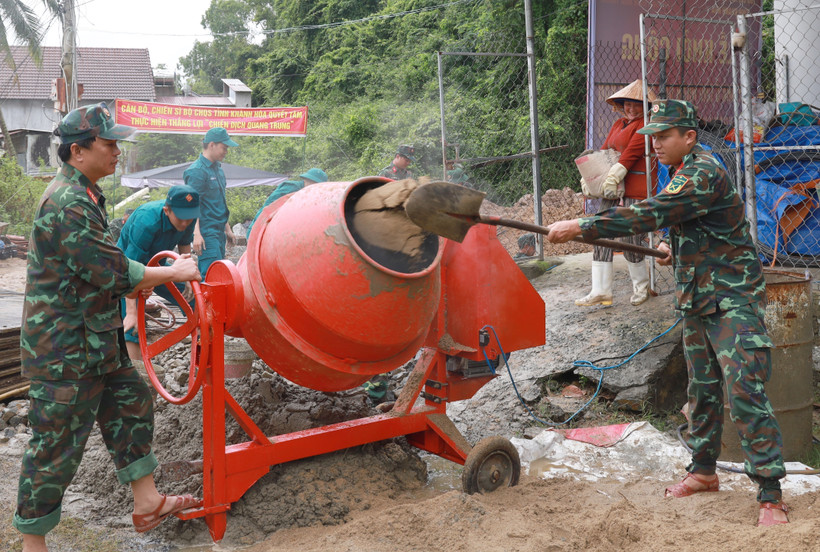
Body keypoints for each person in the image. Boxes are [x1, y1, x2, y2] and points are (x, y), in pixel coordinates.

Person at [546, 99, 788, 527]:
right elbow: (692, 220)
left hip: (731, 299)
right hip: (698, 297)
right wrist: (669, 245)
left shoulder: (703, 172)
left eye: (663, 136)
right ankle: (703, 472)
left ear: (689, 137)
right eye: (652, 136)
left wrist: (582, 227)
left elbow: (653, 211)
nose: (655, 144)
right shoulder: (681, 170)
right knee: (703, 391)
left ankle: (770, 495)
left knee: (745, 392)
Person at [15, 103, 202, 552]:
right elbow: (113, 271)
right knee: (55, 444)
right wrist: (173, 273)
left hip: (95, 340)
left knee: (131, 402)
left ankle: (147, 502)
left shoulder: (87, 195)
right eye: (109, 143)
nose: (118, 151)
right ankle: (32, 544)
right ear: (78, 151)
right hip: (63, 349)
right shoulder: (66, 202)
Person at [577, 79, 658, 307]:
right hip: (611, 187)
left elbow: (630, 155)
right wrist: (589, 177)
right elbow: (603, 152)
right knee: (600, 230)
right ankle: (601, 291)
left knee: (630, 237)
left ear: (646, 106)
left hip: (635, 186)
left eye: (636, 104)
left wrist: (613, 177)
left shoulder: (646, 125)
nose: (630, 108)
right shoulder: (619, 123)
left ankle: (641, 287)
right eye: (627, 104)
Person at [117, 185, 201, 361]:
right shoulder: (146, 221)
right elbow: (129, 271)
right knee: (133, 323)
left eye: (189, 218)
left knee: (194, 297)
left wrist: (187, 277)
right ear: (166, 210)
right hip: (127, 268)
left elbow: (184, 244)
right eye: (181, 218)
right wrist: (131, 312)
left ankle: (201, 345)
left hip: (158, 265)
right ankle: (137, 370)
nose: (185, 223)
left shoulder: (188, 217)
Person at [184, 127, 238, 276]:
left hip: (219, 232)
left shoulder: (218, 170)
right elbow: (191, 204)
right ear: (212, 145)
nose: (226, 151)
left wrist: (227, 229)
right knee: (210, 277)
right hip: (207, 233)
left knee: (219, 275)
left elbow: (220, 202)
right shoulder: (196, 171)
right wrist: (196, 234)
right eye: (224, 147)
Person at [247, 167, 328, 237]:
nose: (314, 187)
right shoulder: (291, 187)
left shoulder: (310, 195)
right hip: (260, 227)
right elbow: (270, 206)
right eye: (311, 183)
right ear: (305, 180)